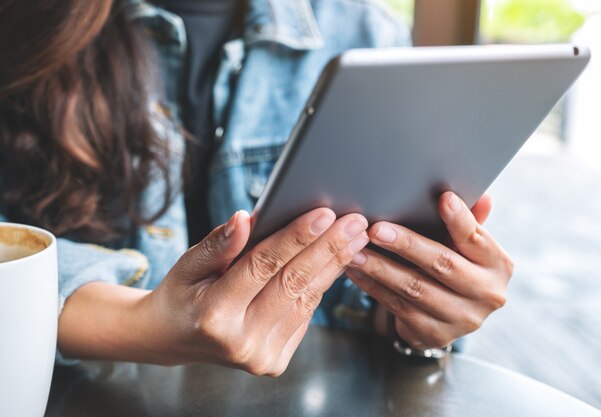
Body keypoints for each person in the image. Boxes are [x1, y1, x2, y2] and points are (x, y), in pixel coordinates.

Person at [0, 0, 513, 375]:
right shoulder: (25, 28)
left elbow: (378, 302)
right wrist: (136, 322)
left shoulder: (367, 33)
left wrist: (418, 321)